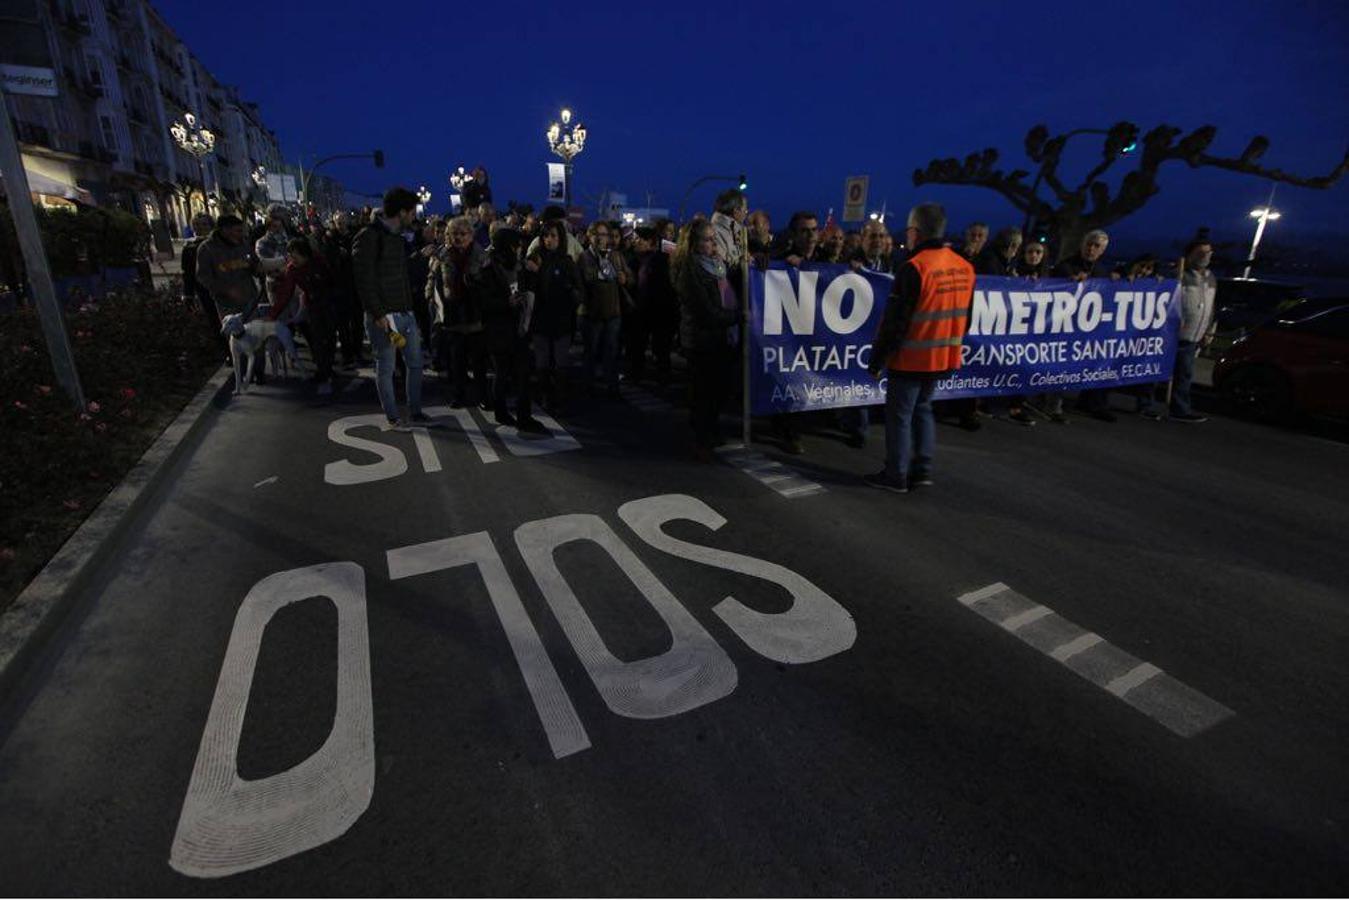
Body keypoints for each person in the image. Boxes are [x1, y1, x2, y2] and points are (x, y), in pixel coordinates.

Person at [866, 203, 974, 493]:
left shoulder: (915, 267)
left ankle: (895, 475)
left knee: (899, 416)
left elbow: (895, 322)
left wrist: (877, 360)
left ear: (915, 232)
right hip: (944, 358)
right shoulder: (964, 267)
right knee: (923, 409)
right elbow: (967, 318)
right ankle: (922, 469)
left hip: (912, 358)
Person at [353, 187, 430, 430]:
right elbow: (364, 281)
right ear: (402, 212)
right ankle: (393, 417)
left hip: (405, 313)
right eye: (412, 212)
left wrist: (418, 260)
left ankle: (415, 411)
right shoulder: (368, 236)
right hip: (384, 317)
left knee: (415, 364)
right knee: (385, 367)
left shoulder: (396, 236)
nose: (414, 217)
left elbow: (399, 273)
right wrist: (377, 314)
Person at [470, 227, 549, 434]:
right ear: (507, 246)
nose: (520, 250)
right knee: (502, 373)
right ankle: (502, 412)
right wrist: (507, 302)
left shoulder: (520, 266)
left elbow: (526, 287)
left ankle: (524, 417)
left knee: (523, 373)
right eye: (516, 246)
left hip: (518, 328)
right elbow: (483, 302)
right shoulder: (488, 268)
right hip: (497, 330)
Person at [674, 218, 741, 460]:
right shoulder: (690, 271)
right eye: (707, 239)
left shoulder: (717, 265)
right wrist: (737, 317)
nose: (713, 243)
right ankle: (701, 438)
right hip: (701, 340)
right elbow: (706, 312)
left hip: (721, 338)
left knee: (719, 390)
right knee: (703, 392)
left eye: (714, 238)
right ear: (693, 243)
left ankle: (710, 429)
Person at [768, 211, 822, 454]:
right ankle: (790, 432)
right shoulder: (782, 260)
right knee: (793, 383)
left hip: (818, 334)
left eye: (814, 230)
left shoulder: (828, 260)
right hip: (790, 335)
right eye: (804, 231)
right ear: (794, 234)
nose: (810, 236)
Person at [1146, 239, 1216, 423]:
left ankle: (1180, 409)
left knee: (1184, 374)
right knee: (1155, 370)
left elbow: (1210, 306)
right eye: (1200, 253)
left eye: (1208, 253)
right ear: (1190, 255)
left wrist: (1207, 330)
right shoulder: (1178, 275)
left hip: (1193, 335)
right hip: (1170, 333)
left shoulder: (1211, 278)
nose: (1204, 257)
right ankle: (1146, 405)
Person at [1055, 229, 1116, 421]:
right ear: (1082, 244)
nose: (1091, 248)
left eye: (1096, 246)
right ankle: (1052, 402)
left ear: (1103, 250)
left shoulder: (1103, 271)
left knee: (1104, 359)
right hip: (1065, 327)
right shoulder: (1066, 265)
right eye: (1089, 243)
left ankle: (1093, 402)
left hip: (1091, 328)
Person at [427, 216, 488, 408]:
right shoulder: (442, 255)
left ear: (471, 235)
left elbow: (488, 284)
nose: (458, 238)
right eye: (454, 234)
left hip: (474, 313)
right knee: (457, 361)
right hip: (452, 313)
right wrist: (431, 296)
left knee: (479, 362)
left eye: (463, 234)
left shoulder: (481, 255)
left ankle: (483, 396)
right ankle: (459, 395)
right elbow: (433, 279)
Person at [525, 220, 583, 413]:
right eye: (545, 236)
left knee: (560, 361)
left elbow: (576, 290)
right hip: (540, 318)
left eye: (553, 236)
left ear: (561, 238)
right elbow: (530, 287)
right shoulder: (535, 258)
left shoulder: (566, 262)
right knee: (542, 360)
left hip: (562, 319)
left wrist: (569, 293)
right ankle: (544, 395)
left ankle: (560, 397)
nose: (549, 240)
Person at [272, 238, 337, 394]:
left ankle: (327, 367)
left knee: (330, 337)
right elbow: (286, 293)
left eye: (296, 256)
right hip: (313, 305)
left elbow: (332, 280)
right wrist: (273, 314)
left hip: (329, 303)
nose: (293, 260)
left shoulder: (319, 261)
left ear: (305, 254)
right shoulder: (292, 269)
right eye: (290, 256)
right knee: (317, 339)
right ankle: (323, 371)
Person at [578, 220, 632, 398]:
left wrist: (625, 278)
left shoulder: (615, 256)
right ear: (590, 236)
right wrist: (606, 273)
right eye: (598, 234)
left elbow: (630, 277)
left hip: (613, 312)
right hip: (592, 313)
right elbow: (588, 277)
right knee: (591, 352)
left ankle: (612, 388)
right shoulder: (585, 256)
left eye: (605, 235)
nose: (602, 239)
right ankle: (588, 387)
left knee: (611, 351)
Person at [180, 212, 219, 339]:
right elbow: (187, 272)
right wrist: (188, 294)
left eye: (204, 224)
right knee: (214, 320)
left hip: (221, 286)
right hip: (203, 289)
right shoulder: (189, 247)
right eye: (196, 224)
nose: (200, 227)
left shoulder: (217, 244)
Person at [710, 188, 748, 285]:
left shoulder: (738, 232)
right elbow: (719, 268)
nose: (746, 214)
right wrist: (741, 265)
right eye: (745, 210)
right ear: (736, 211)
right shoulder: (714, 232)